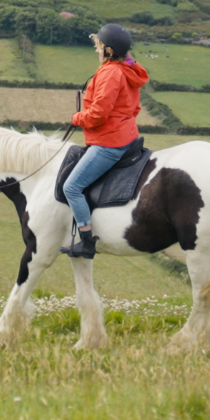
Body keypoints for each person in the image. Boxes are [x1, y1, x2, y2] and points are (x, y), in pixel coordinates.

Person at [60, 23, 149, 259]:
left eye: (99, 47)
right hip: (125, 135)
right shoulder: (129, 70)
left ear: (109, 50)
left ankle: (87, 242)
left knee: (72, 187)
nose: (96, 51)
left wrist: (77, 118)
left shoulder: (111, 72)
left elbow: (98, 114)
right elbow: (135, 107)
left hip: (110, 143)